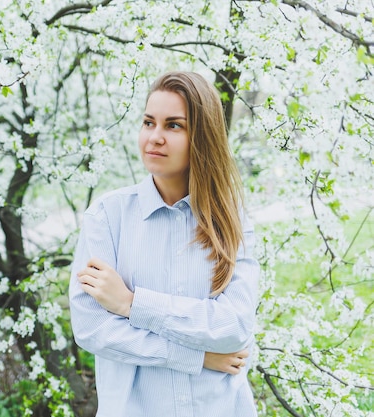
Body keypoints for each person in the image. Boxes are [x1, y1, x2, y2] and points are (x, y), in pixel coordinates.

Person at [69, 71, 259, 417]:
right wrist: (197, 357)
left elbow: (234, 327)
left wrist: (131, 304)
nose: (154, 137)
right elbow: (92, 328)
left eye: (174, 126)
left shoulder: (233, 221)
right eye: (148, 122)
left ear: (203, 137)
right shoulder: (107, 219)